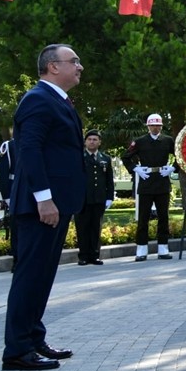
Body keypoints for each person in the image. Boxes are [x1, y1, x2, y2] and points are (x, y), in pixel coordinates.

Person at [1, 44, 85, 371]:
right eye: (73, 61)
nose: (79, 66)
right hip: (41, 205)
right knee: (30, 276)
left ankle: (33, 338)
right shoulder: (37, 99)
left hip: (56, 203)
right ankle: (17, 350)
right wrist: (44, 197)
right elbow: (30, 151)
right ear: (53, 67)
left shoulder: (56, 100)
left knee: (42, 276)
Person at [121, 114, 178, 261]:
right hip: (146, 180)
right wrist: (135, 169)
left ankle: (163, 248)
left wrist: (173, 168)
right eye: (152, 125)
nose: (155, 128)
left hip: (162, 179)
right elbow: (125, 157)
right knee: (143, 218)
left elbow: (180, 155)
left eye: (158, 125)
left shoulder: (167, 140)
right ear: (148, 126)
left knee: (163, 217)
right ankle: (141, 250)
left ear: (161, 126)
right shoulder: (140, 141)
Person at [75, 130, 114, 266]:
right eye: (89, 139)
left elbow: (109, 180)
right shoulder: (79, 157)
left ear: (99, 142)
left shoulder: (105, 158)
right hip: (83, 199)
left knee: (96, 228)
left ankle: (95, 255)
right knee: (83, 227)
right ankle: (83, 256)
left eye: (95, 139)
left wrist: (109, 197)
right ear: (85, 142)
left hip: (99, 198)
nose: (92, 141)